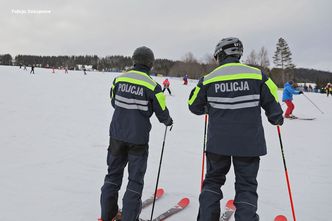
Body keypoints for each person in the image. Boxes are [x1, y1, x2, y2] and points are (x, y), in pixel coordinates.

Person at [188, 37, 283, 221]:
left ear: (221, 54)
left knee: (213, 182)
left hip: (218, 144)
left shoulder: (208, 79)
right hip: (249, 144)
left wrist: (209, 107)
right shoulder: (257, 75)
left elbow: (193, 105)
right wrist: (276, 117)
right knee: (246, 186)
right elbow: (273, 101)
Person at [100, 46, 173, 221]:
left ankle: (107, 215)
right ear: (150, 64)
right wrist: (168, 121)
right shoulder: (153, 86)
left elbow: (113, 102)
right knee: (135, 180)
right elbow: (162, 111)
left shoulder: (118, 80)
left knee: (113, 175)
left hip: (117, 135)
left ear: (134, 60)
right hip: (138, 140)